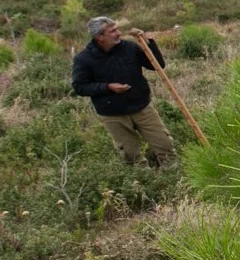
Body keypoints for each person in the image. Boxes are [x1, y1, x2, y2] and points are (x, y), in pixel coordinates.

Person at [71, 16, 177, 167]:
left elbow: (157, 65)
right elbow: (80, 87)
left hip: (142, 107)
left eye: (117, 29)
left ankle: (173, 177)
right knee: (131, 156)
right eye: (113, 31)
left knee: (165, 145)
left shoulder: (129, 47)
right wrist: (108, 87)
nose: (118, 33)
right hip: (113, 114)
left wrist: (149, 42)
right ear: (100, 37)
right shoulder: (84, 59)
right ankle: (142, 185)